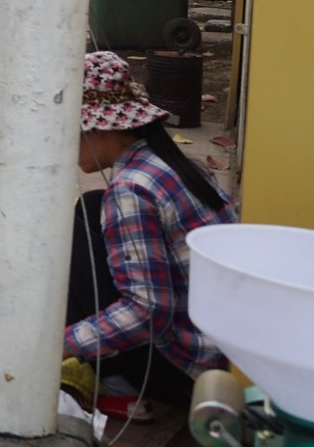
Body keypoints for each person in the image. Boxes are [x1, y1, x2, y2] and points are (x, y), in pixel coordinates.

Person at [66, 51, 235, 404]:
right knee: (91, 206)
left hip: (184, 372)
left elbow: (149, 312)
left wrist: (62, 345)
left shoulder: (130, 189)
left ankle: (119, 380)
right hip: (224, 352)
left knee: (75, 233)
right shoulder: (175, 163)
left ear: (97, 129)